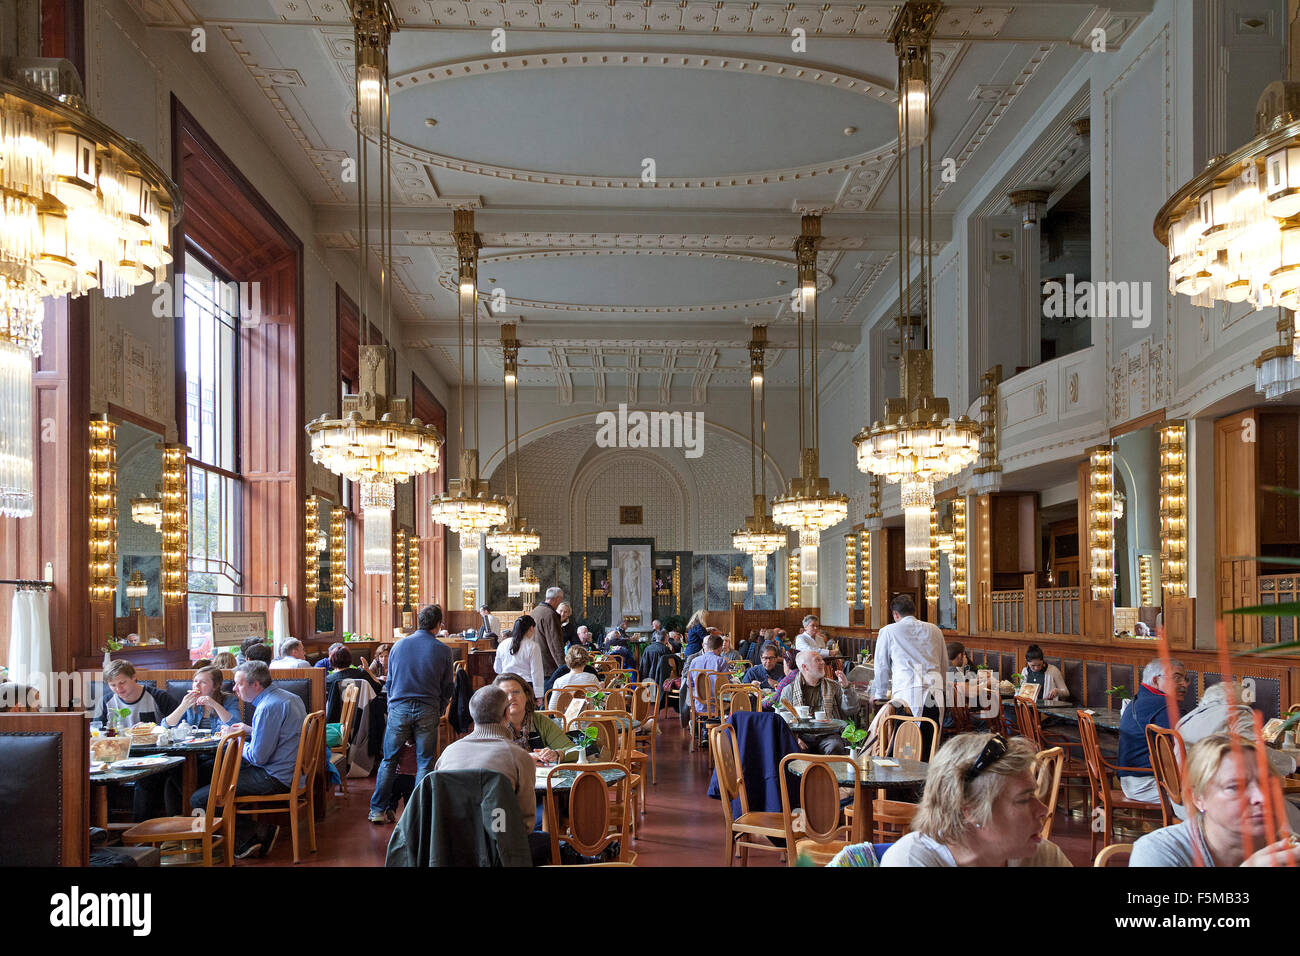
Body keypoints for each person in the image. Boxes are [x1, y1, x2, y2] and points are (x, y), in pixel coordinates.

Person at [877, 733, 1070, 867]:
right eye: (1023, 799)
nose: (1044, 810)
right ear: (968, 809)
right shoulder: (910, 860)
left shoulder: (1042, 856)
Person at [1131, 734, 1300, 867]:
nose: (1262, 797)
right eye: (1235, 787)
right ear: (1198, 798)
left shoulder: (1288, 847)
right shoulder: (1159, 853)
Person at [194, 661, 306, 859]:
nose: (235, 689)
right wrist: (249, 731)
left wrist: (234, 740)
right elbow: (281, 735)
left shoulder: (267, 707)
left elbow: (258, 757)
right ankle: (249, 834)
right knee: (205, 770)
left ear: (256, 685)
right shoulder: (288, 697)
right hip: (292, 771)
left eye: (239, 684)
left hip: (275, 777)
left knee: (200, 798)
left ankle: (252, 836)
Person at [369, 605, 454, 825]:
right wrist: (439, 707)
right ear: (438, 624)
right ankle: (418, 813)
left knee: (389, 761)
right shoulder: (443, 650)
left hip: (399, 707)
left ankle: (377, 810)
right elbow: (447, 687)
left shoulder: (398, 646)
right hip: (427, 708)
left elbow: (391, 680)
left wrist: (392, 707)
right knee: (425, 762)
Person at [434, 685, 539, 830]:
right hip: (500, 845)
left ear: (472, 714)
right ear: (507, 713)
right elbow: (525, 824)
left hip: (451, 846)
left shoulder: (447, 753)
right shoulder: (519, 757)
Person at [870, 594, 946, 744]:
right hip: (935, 691)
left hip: (907, 692)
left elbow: (881, 666)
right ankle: (929, 768)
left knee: (907, 743)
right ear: (914, 611)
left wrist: (880, 694)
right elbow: (943, 663)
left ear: (895, 614)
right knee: (931, 742)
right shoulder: (935, 630)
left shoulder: (888, 631)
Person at [1179, 680, 1297, 777]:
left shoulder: (1187, 720)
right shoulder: (1236, 713)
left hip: (1182, 795)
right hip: (1215, 795)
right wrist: (1293, 762)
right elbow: (1254, 751)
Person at [1117, 657, 1188, 807]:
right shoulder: (1165, 707)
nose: (1184, 684)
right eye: (1177, 678)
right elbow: (1187, 745)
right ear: (1156, 681)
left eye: (1185, 679)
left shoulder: (1139, 699)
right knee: (1211, 797)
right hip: (1147, 784)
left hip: (1131, 780)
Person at [778, 651, 860, 754]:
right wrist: (795, 739)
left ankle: (831, 771)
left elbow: (851, 710)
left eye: (821, 660)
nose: (823, 663)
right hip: (801, 736)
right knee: (794, 749)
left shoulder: (833, 686)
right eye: (817, 660)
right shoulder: (789, 690)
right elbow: (781, 721)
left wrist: (846, 687)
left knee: (835, 746)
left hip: (829, 735)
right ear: (805, 667)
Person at [494, 673, 577, 765]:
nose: (511, 698)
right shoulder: (492, 724)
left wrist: (556, 754)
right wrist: (526, 759)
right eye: (504, 694)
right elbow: (487, 757)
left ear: (526, 695)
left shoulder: (540, 721)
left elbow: (574, 750)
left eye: (516, 692)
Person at [98, 659, 175, 727]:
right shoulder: (105, 702)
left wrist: (151, 727)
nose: (118, 689)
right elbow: (96, 730)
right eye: (113, 685)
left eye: (122, 683)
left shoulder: (159, 697)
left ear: (133, 677)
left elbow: (177, 725)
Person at [163, 664, 237, 730]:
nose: (196, 685)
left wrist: (214, 704)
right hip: (193, 743)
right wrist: (183, 706)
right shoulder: (190, 702)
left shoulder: (230, 700)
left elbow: (235, 725)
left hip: (221, 744)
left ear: (215, 686)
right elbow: (165, 726)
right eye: (195, 681)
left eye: (203, 682)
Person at [494, 614, 546, 700]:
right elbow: (536, 672)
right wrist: (539, 695)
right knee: (525, 712)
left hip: (505, 685)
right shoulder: (533, 646)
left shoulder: (503, 644)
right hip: (525, 686)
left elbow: (497, 668)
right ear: (531, 628)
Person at [325, 646, 383, 721]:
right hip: (363, 718)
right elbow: (378, 687)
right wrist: (367, 670)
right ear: (349, 659)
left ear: (332, 660)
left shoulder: (328, 680)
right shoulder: (361, 674)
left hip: (337, 721)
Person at [686, 634, 730, 713]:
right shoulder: (721, 661)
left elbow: (689, 684)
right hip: (717, 706)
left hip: (698, 705)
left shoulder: (694, 661)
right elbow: (726, 685)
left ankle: (697, 723)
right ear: (720, 648)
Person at [533, 587, 566, 675]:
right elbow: (555, 642)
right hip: (549, 666)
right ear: (558, 599)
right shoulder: (550, 614)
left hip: (535, 662)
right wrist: (563, 667)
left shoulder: (535, 611)